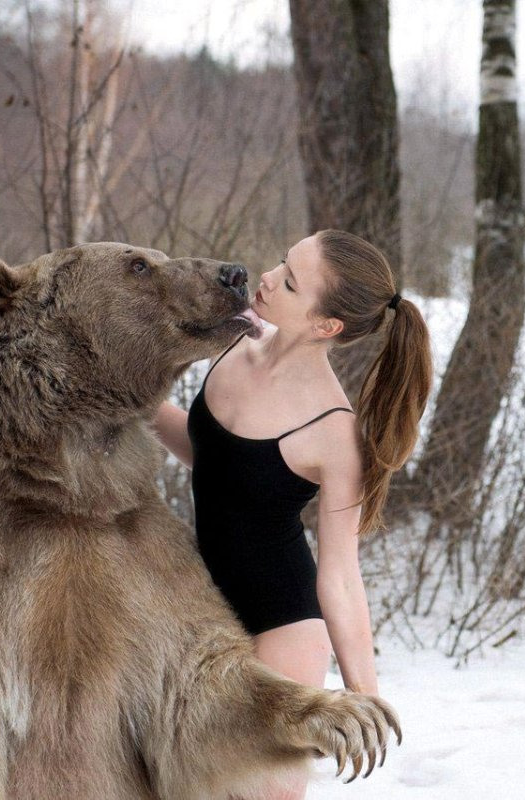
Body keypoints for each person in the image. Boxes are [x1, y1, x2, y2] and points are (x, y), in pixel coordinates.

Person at [153, 229, 432, 798]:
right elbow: (213, 461)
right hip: (198, 606)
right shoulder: (236, 339)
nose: (269, 276)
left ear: (326, 326)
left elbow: (341, 577)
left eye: (290, 281)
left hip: (278, 625)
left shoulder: (334, 433)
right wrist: (128, 402)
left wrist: (363, 698)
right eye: (283, 260)